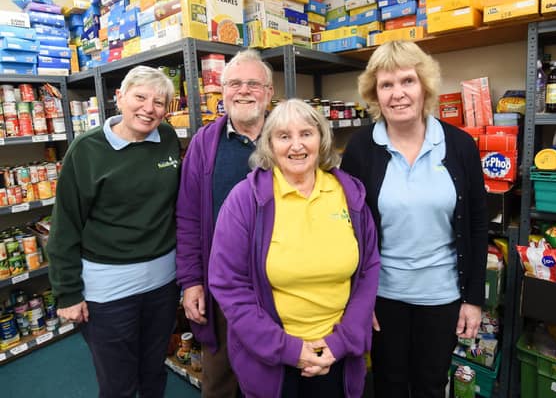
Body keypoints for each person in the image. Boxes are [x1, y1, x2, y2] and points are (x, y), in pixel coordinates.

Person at [340, 40, 488, 398]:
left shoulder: (460, 145)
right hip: (383, 296)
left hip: (442, 295)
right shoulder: (361, 149)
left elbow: (478, 224)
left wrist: (473, 299)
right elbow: (347, 230)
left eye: (407, 81)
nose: (397, 94)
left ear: (424, 86)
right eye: (386, 85)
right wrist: (358, 298)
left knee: (431, 385)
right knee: (389, 385)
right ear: (374, 94)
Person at [209, 99, 380, 398]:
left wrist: (339, 344)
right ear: (269, 145)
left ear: (322, 139)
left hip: (337, 356)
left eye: (306, 133)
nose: (296, 145)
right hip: (272, 360)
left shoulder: (348, 193)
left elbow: (368, 270)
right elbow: (228, 284)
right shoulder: (245, 200)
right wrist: (289, 349)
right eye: (284, 136)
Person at [47, 65, 181, 397]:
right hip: (108, 292)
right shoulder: (87, 150)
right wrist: (67, 293)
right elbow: (65, 226)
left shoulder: (167, 139)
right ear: (119, 98)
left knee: (153, 371)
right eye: (140, 97)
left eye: (160, 102)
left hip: (163, 286)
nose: (149, 109)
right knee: (118, 382)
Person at [176, 49, 274, 397]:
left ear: (269, 93)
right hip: (223, 285)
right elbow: (188, 217)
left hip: (281, 284)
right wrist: (191, 282)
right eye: (234, 83)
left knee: (274, 374)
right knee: (220, 381)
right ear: (222, 90)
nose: (243, 91)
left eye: (253, 84)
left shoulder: (290, 138)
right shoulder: (205, 142)